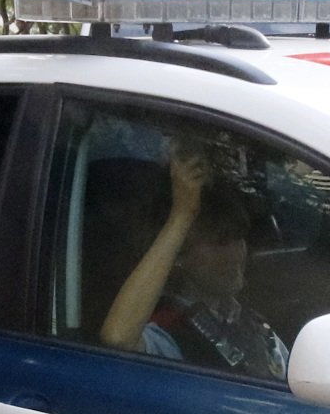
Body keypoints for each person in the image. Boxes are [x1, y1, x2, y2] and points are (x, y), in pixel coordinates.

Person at [99, 143, 290, 379]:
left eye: (238, 237)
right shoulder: (169, 332)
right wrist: (182, 215)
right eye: (220, 243)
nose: (237, 253)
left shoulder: (252, 324)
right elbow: (118, 339)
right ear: (178, 256)